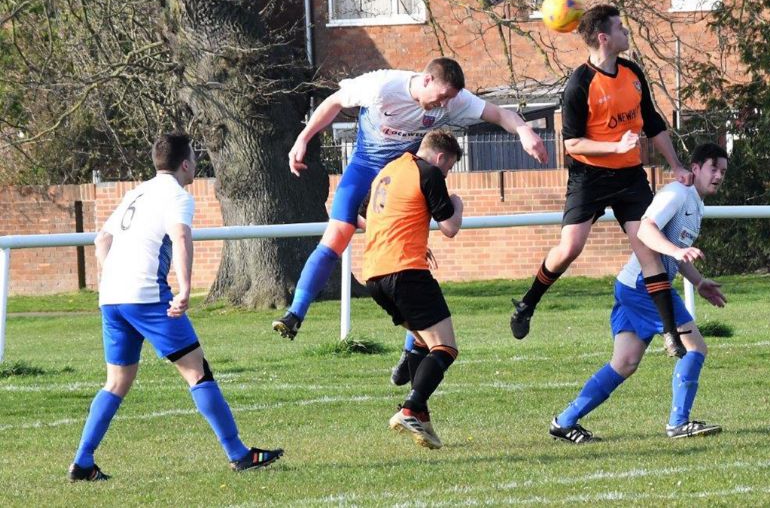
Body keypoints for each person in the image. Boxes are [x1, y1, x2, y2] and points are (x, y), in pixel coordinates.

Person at [273, 58, 548, 376]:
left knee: (409, 261)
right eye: (441, 96)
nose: (444, 105)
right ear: (427, 79)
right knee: (336, 235)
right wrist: (303, 138)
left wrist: (525, 132)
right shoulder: (383, 86)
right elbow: (334, 101)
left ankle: (410, 352)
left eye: (449, 100)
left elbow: (500, 113)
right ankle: (295, 314)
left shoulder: (452, 100)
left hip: (403, 178)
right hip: (365, 167)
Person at [68, 133, 282, 482]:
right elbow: (181, 237)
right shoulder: (177, 196)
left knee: (116, 382)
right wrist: (184, 288)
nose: (196, 165)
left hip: (112, 297)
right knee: (197, 371)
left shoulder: (136, 192)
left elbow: (101, 240)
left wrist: (114, 276)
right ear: (185, 164)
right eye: (195, 160)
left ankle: (83, 462)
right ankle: (239, 454)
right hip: (147, 296)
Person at [510, 5, 693, 357]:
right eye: (621, 28)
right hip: (589, 176)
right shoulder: (579, 84)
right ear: (604, 37)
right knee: (570, 248)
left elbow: (652, 123)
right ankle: (527, 304)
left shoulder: (632, 72)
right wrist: (613, 145)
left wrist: (677, 165)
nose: (627, 33)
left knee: (648, 250)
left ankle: (670, 334)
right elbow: (571, 143)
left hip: (629, 177)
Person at [549, 143, 728, 443]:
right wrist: (676, 251)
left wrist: (698, 282)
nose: (719, 176)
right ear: (695, 168)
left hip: (634, 285)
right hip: (644, 287)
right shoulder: (676, 194)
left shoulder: (696, 204)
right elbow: (645, 230)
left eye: (723, 171)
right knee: (695, 348)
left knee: (625, 362)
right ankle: (678, 423)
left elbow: (673, 255)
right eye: (714, 169)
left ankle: (564, 421)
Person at [362, 129, 464, 449]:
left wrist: (410, 238)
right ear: (441, 157)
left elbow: (365, 215)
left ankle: (422, 418)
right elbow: (450, 227)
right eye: (449, 168)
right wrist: (457, 204)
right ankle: (411, 407)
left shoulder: (388, 171)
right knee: (445, 347)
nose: (446, 174)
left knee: (422, 341)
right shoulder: (429, 171)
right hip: (405, 272)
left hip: (375, 276)